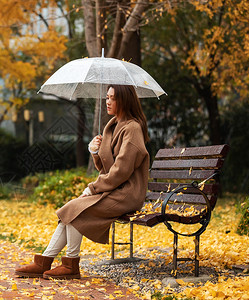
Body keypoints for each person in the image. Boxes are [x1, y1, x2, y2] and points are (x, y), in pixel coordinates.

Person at [15, 84, 150, 280]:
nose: (108, 101)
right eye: (107, 97)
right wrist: (95, 151)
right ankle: (44, 261)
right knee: (71, 209)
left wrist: (92, 188)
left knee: (76, 210)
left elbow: (121, 171)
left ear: (125, 100)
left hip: (127, 193)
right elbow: (107, 169)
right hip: (114, 189)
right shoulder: (112, 126)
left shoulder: (133, 129)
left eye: (113, 97)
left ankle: (70, 264)